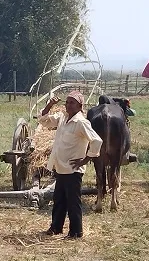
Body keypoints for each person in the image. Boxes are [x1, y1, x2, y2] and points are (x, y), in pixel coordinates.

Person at [38, 91, 102, 239]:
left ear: (80, 106)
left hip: (73, 169)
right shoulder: (63, 117)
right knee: (59, 199)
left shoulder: (81, 122)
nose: (68, 105)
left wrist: (85, 159)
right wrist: (49, 105)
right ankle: (56, 227)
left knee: (73, 202)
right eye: (67, 102)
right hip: (61, 166)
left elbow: (97, 141)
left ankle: (76, 232)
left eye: (72, 103)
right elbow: (44, 120)